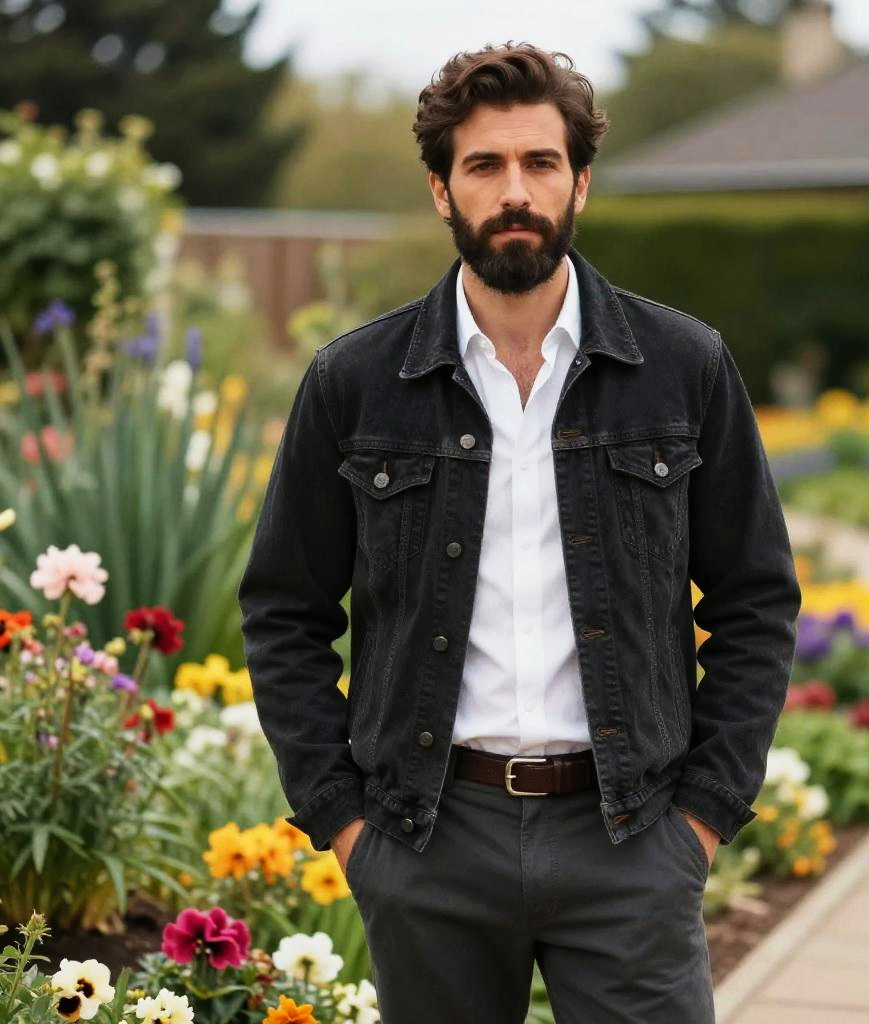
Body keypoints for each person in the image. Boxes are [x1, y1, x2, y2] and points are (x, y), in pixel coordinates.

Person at [238, 42, 802, 1024]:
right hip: (428, 837)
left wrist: (702, 820)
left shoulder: (684, 366)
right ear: (440, 190)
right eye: (484, 165)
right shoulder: (355, 382)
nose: (514, 191)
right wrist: (346, 824)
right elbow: (283, 607)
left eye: (540, 163)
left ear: (579, 182)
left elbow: (756, 598)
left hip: (630, 836)